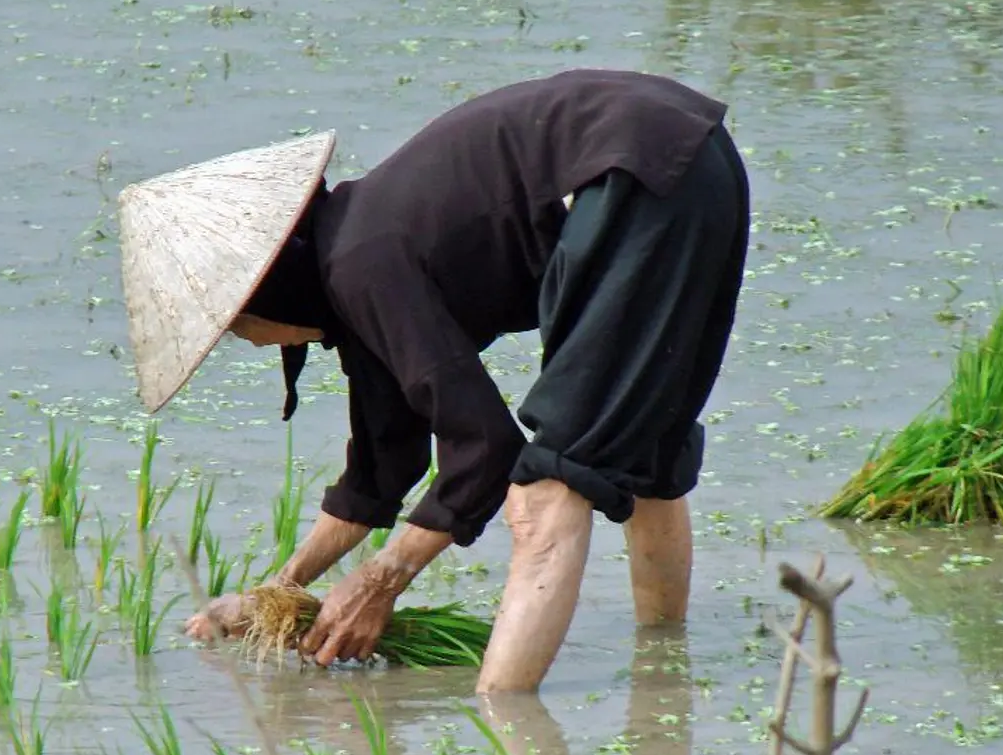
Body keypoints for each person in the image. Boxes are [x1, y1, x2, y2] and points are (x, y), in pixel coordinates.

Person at [121, 68, 750, 694]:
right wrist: (276, 596)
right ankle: (664, 671)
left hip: (631, 175)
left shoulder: (363, 265)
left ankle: (509, 723)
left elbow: (486, 445)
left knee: (545, 495)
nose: (254, 343)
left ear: (266, 293)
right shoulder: (352, 251)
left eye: (239, 329)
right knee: (644, 448)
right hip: (686, 153)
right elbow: (379, 471)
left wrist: (382, 580)